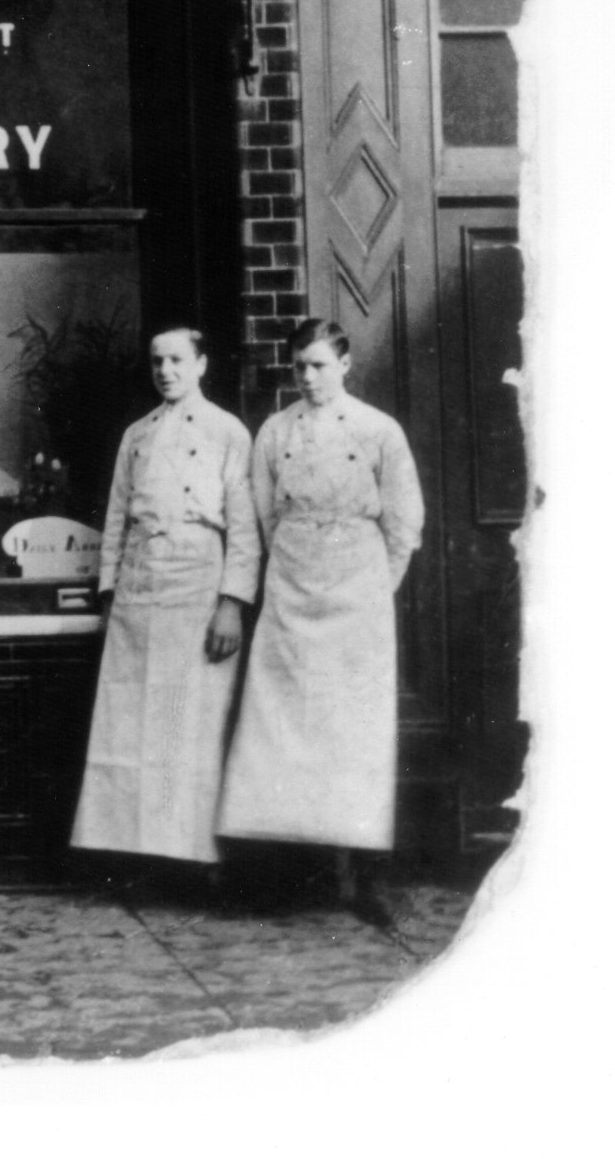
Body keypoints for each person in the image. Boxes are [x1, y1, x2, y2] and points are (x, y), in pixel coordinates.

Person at [217, 318, 425, 923]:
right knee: (281, 730)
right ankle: (290, 879)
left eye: (319, 366)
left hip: (356, 595)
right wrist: (290, 572)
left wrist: (371, 588)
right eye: (299, 367)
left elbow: (404, 522)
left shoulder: (378, 430)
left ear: (346, 364)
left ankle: (364, 880)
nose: (308, 378)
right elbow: (262, 516)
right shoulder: (274, 433)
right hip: (290, 591)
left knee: (354, 733)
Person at [70, 326, 259, 878]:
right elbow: (115, 520)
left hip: (198, 582)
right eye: (157, 361)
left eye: (177, 360)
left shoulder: (229, 432)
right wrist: (109, 595)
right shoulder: (138, 434)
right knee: (129, 724)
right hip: (139, 586)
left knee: (187, 722)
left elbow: (245, 528)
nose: (166, 370)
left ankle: (194, 861)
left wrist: (232, 603)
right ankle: (136, 855)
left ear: (201, 364)